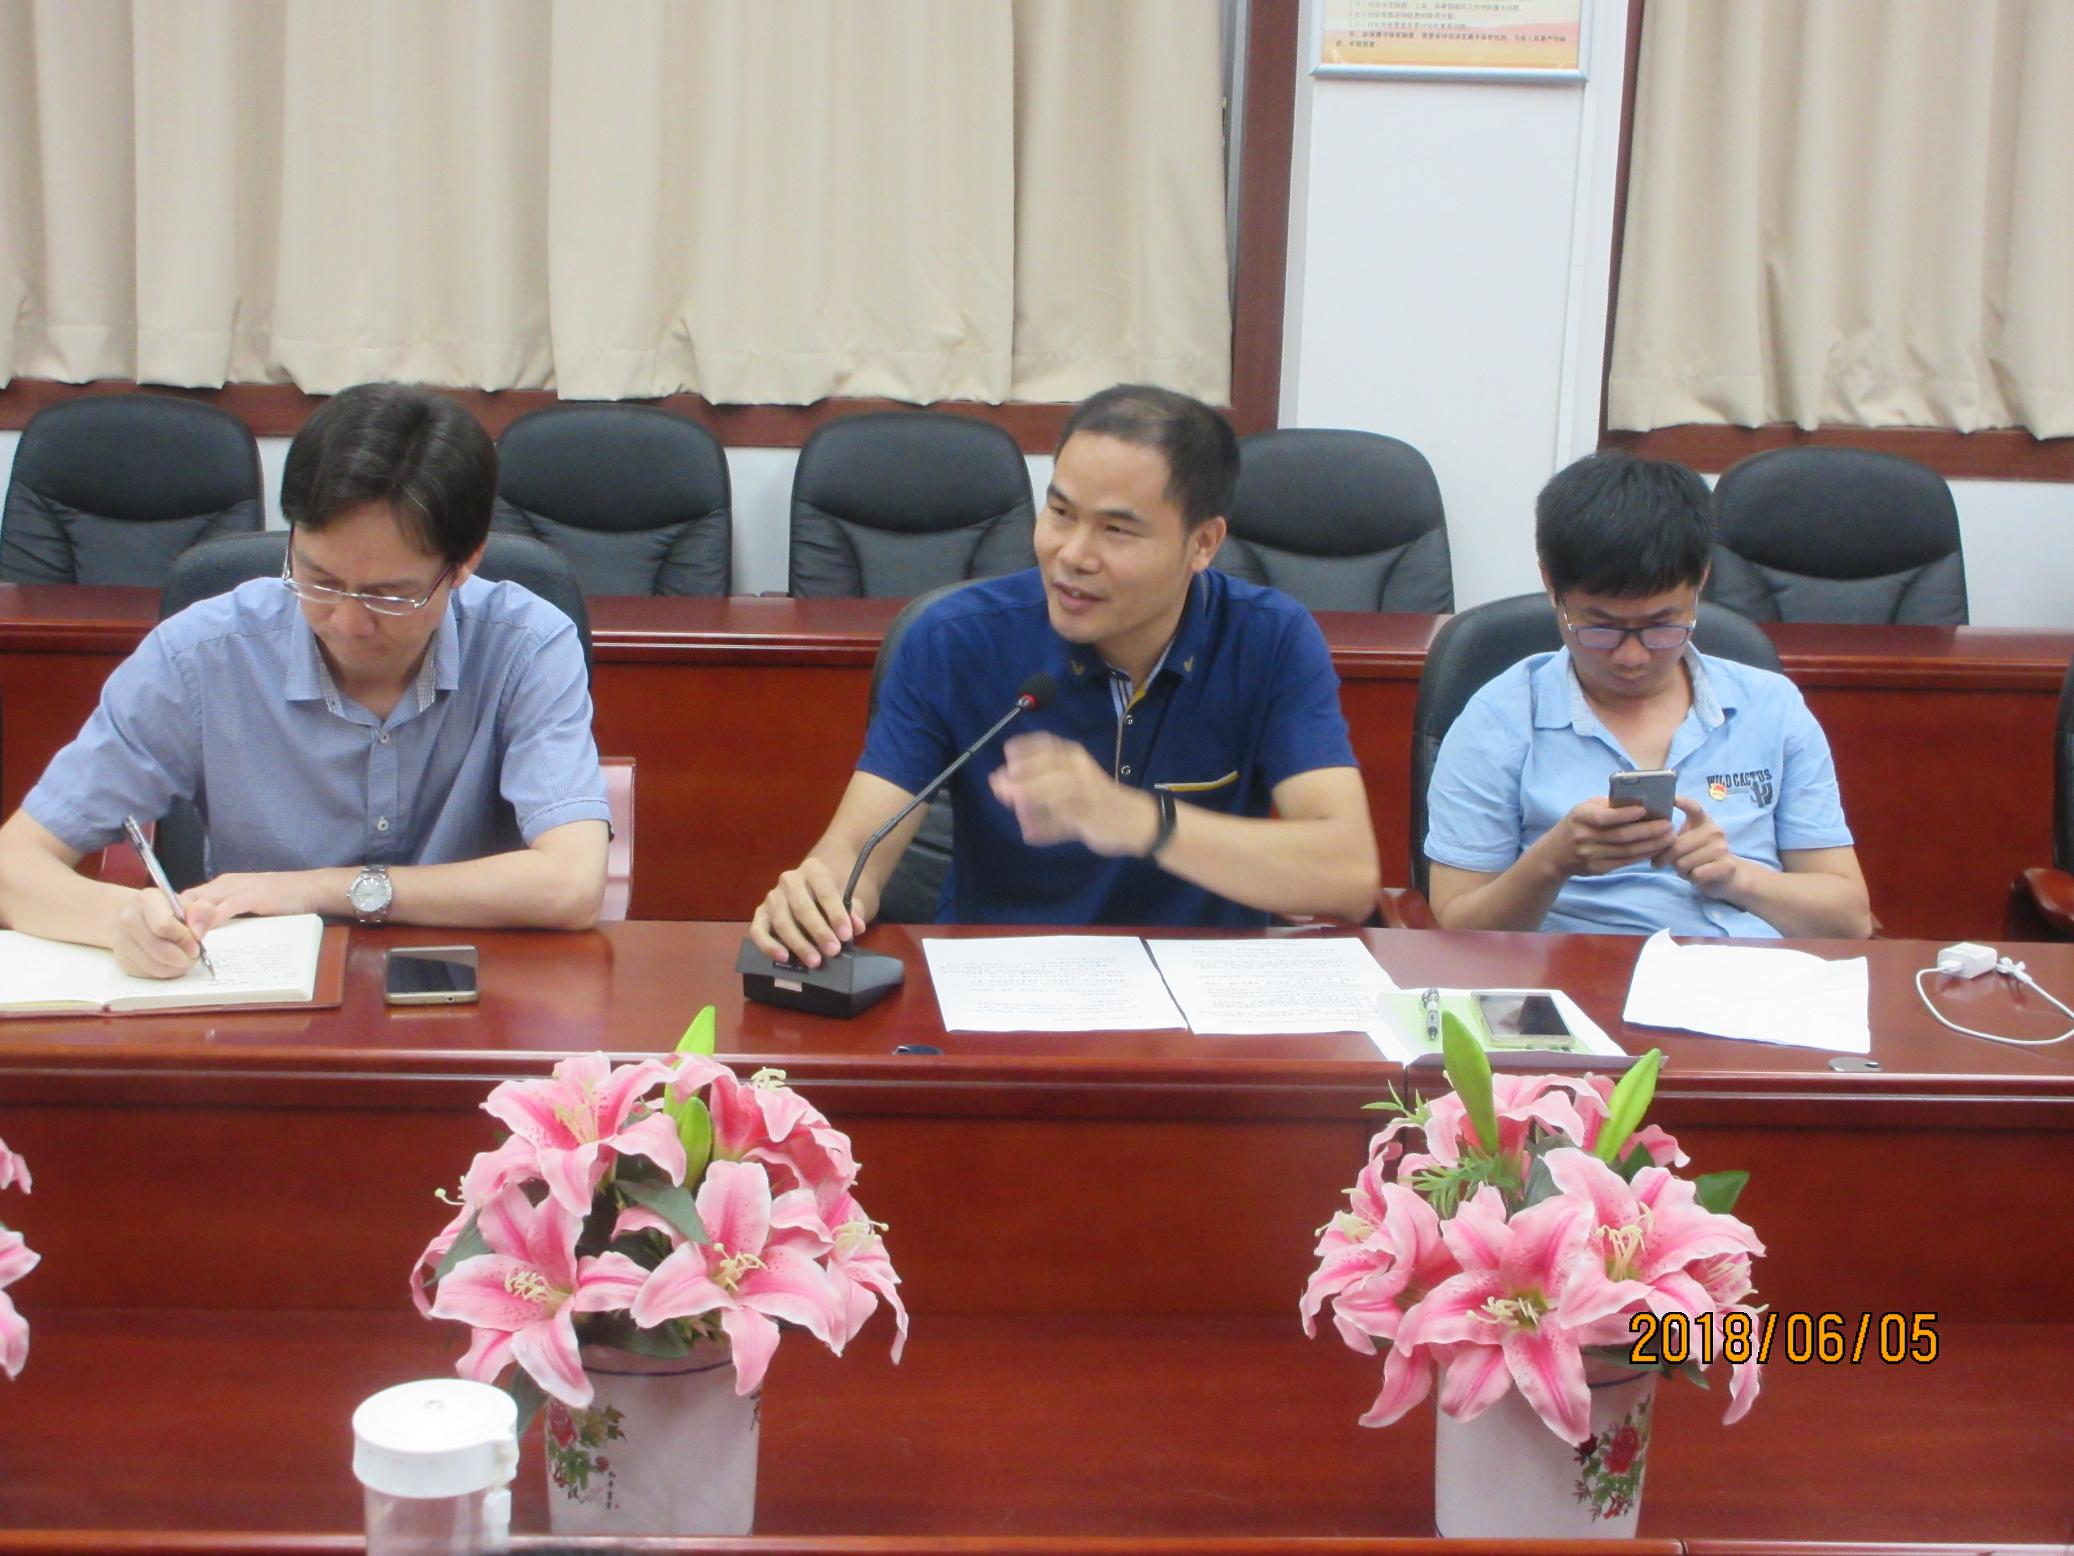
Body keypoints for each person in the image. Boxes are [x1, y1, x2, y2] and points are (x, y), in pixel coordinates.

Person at [751, 384, 1379, 967]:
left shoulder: (1269, 640)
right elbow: (857, 851)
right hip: (1001, 988)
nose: (1072, 555)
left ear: (1203, 543)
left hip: (1201, 1000)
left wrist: (1139, 821)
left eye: (1116, 530)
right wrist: (816, 900)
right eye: (1059, 513)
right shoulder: (955, 639)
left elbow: (1348, 877)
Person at [0, 382, 611, 977]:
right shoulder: (200, 654)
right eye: (319, 580)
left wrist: (319, 889)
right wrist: (122, 922)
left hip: (472, 997)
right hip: (258, 1005)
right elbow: (15, 863)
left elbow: (572, 884)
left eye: (388, 596)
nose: (346, 622)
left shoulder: (526, 644)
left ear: (465, 562)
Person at [1423, 452, 1871, 939]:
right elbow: (1457, 929)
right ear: (1551, 584)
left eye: (1662, 626)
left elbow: (1849, 921)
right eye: (1601, 628)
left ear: (1700, 581)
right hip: (1581, 970)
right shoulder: (1498, 721)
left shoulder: (1770, 706)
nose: (1632, 657)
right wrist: (1551, 862)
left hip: (1750, 974)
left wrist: (1737, 878)